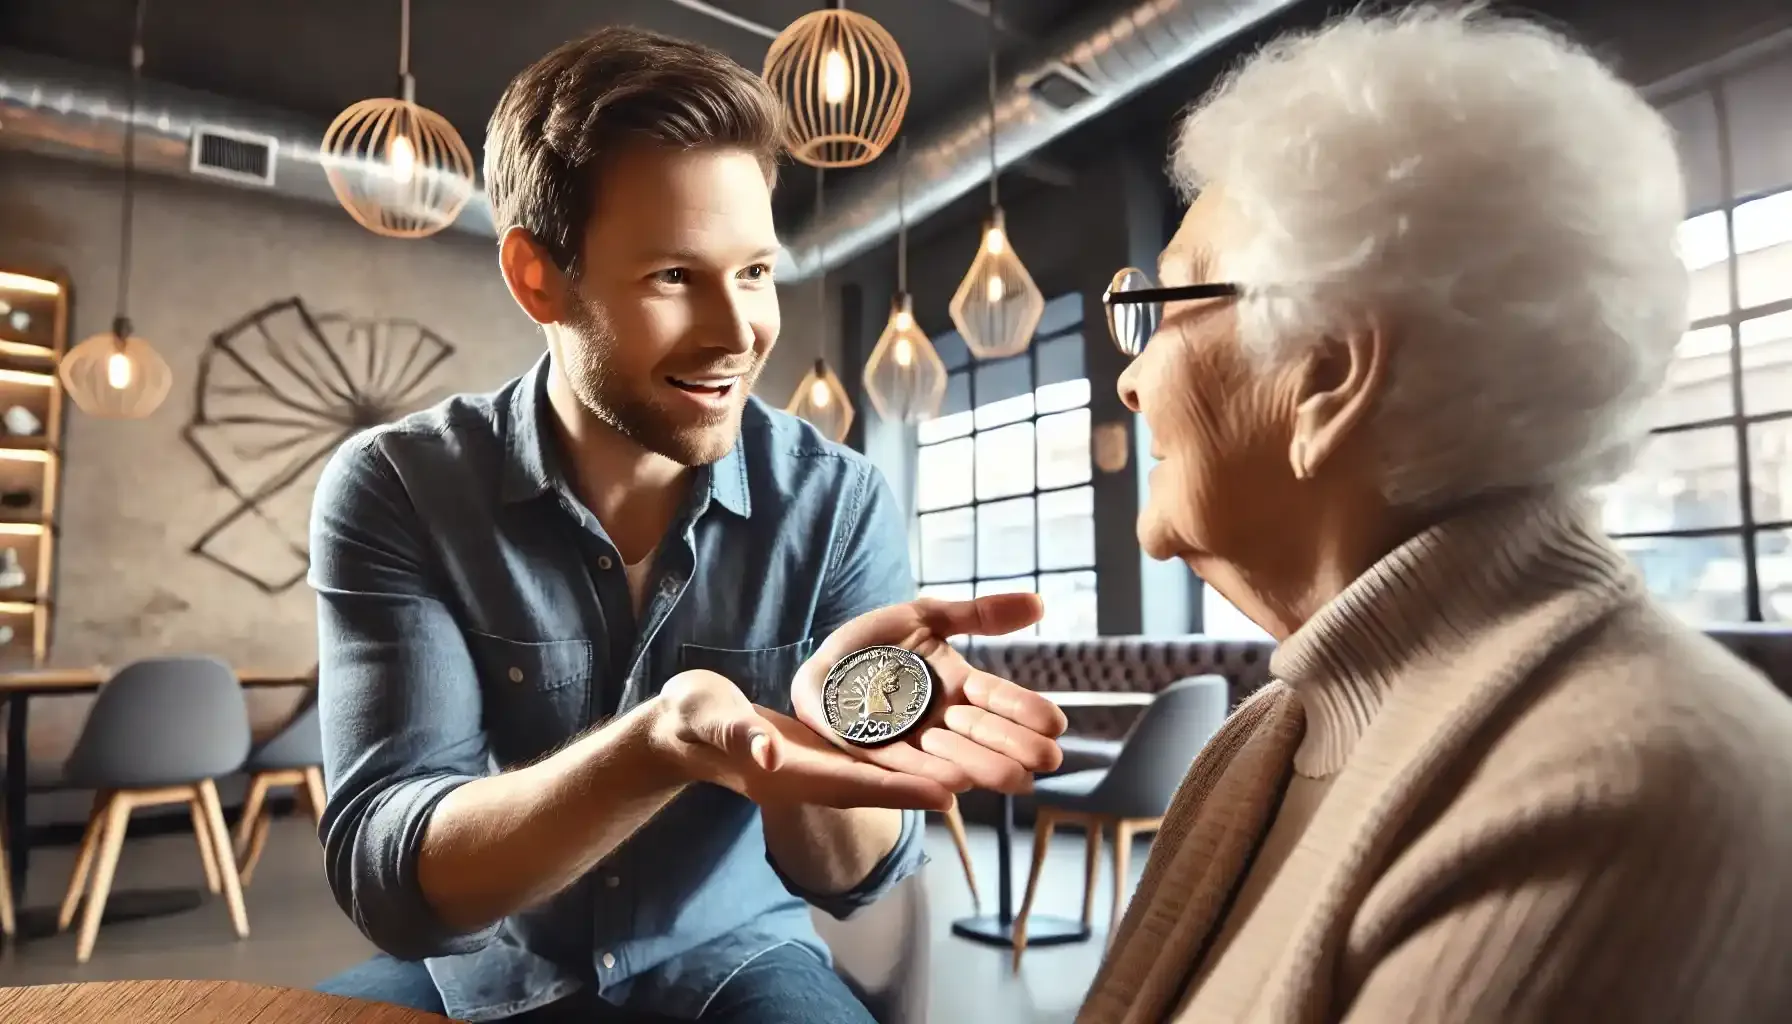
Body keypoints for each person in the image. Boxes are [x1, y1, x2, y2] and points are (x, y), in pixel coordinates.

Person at [308, 26, 1066, 1024]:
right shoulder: (400, 485)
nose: (738, 331)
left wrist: (822, 732)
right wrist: (655, 747)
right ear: (539, 276)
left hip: (737, 960)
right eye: (675, 276)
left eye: (754, 272)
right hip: (488, 974)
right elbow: (388, 877)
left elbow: (853, 880)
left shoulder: (836, 502)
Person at [1082, 6, 1792, 1023]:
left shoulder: (1624, 797)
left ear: (1327, 372)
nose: (1133, 379)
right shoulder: (1267, 738)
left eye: (1171, 305)